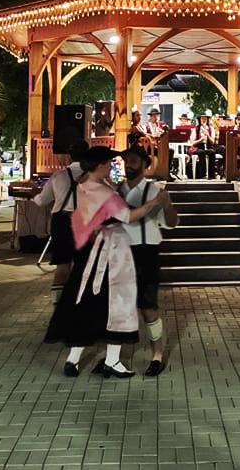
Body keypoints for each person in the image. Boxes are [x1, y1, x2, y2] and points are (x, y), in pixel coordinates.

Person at [44, 146, 163, 379]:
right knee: (117, 303)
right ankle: (111, 360)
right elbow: (128, 216)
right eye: (109, 163)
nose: (113, 166)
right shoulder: (102, 190)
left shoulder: (84, 185)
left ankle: (76, 358)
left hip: (94, 248)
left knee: (89, 302)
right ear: (99, 165)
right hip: (111, 251)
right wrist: (154, 203)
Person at [114, 146, 179, 376]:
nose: (128, 164)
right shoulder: (116, 190)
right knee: (119, 308)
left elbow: (172, 223)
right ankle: (114, 357)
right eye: (125, 161)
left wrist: (168, 204)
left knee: (148, 307)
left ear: (144, 164)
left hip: (146, 253)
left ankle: (157, 355)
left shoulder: (154, 191)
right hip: (120, 253)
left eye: (133, 160)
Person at [34, 140, 88, 298]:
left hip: (61, 221)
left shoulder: (58, 176)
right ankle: (79, 305)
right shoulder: (93, 177)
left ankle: (58, 308)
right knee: (83, 265)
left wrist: (33, 195)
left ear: (70, 156)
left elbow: (42, 201)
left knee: (62, 266)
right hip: (84, 222)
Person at [189, 110, 219, 179]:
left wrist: (208, 135)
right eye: (202, 118)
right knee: (201, 152)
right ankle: (202, 174)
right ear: (200, 119)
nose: (204, 120)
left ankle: (212, 174)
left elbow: (212, 142)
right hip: (198, 147)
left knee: (212, 152)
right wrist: (200, 140)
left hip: (207, 146)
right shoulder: (196, 129)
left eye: (205, 118)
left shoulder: (211, 128)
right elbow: (193, 143)